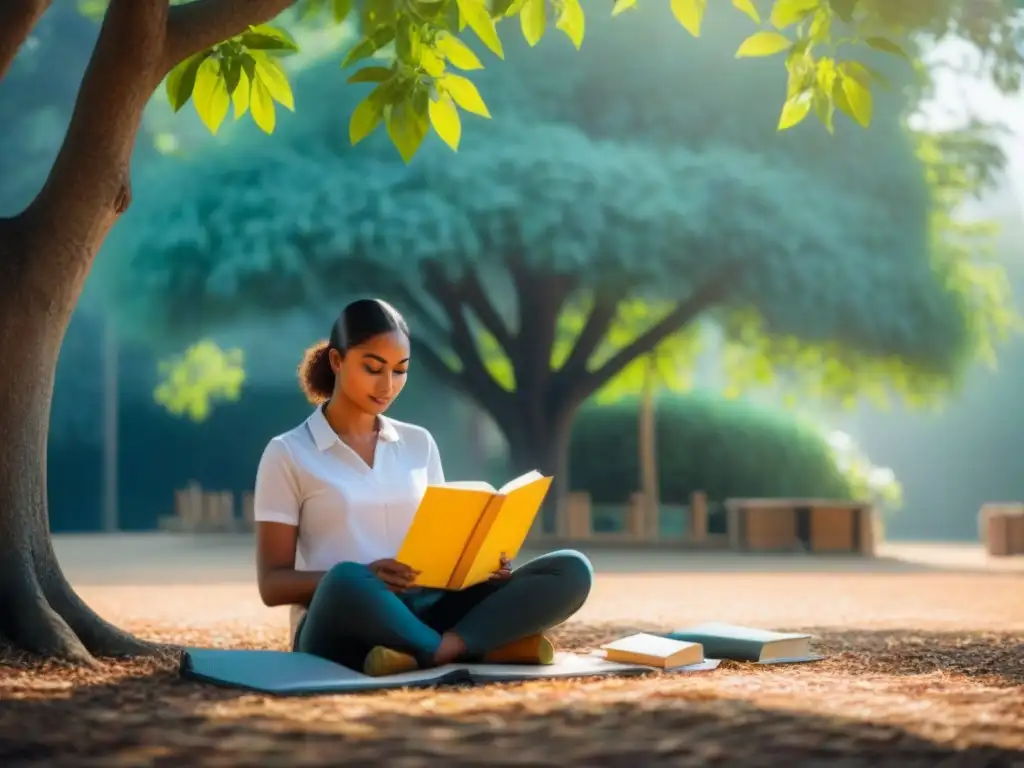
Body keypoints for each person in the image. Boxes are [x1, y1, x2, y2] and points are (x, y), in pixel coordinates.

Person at [252, 298, 594, 677]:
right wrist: (368, 574)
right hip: (341, 615)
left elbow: (442, 540)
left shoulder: (419, 444)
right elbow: (273, 584)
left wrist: (481, 563)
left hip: (428, 607)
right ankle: (473, 646)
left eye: (400, 371)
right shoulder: (288, 453)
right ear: (337, 361)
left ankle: (433, 649)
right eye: (373, 368)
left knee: (572, 570)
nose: (388, 385)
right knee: (346, 578)